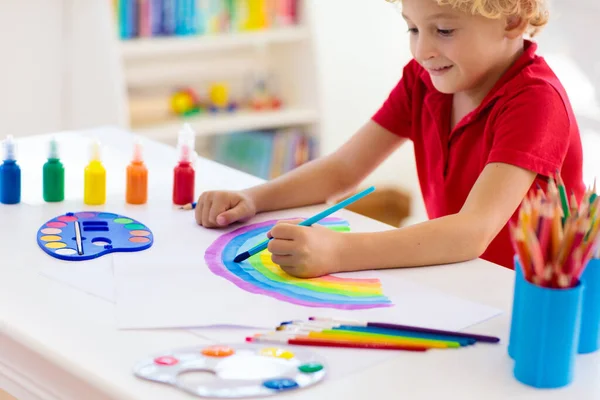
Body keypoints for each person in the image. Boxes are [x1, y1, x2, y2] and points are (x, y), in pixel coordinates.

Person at [195, 0, 585, 278]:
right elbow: (343, 169)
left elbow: (472, 231)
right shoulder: (422, 80)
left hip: (528, 294)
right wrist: (254, 198)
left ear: (513, 19)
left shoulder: (535, 101)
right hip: (461, 279)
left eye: (444, 30)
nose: (423, 50)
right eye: (413, 28)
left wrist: (339, 252)